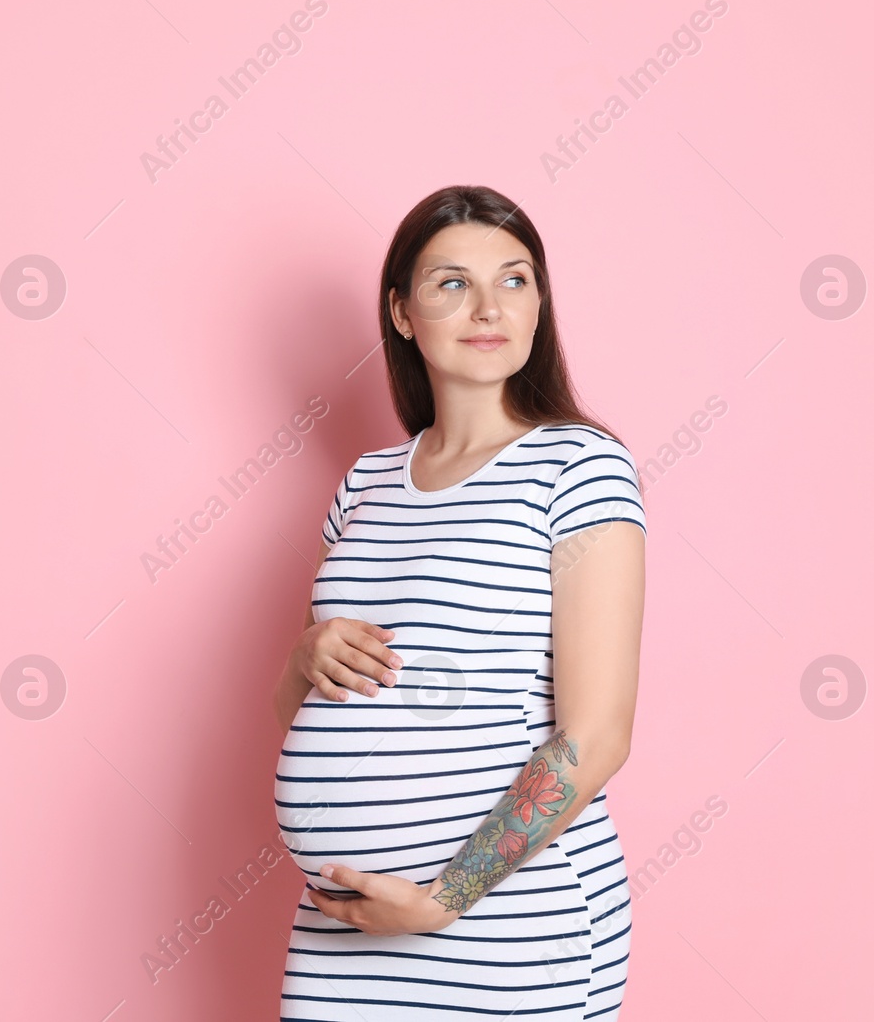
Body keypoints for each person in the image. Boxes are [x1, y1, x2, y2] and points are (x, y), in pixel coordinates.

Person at [271, 185, 647, 1020]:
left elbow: (597, 735)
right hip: (340, 927)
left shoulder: (579, 469)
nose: (488, 307)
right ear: (402, 312)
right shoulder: (365, 483)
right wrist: (303, 656)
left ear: (540, 303)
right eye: (451, 283)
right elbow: (295, 710)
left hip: (512, 926)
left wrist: (448, 897)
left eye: (514, 280)